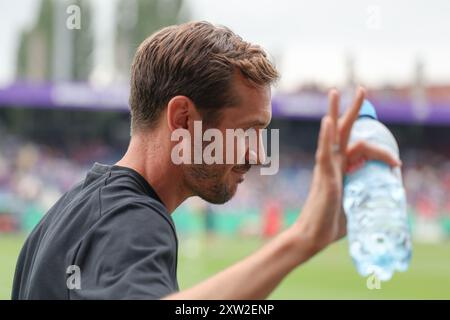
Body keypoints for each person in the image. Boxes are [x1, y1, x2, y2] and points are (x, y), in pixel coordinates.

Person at [12, 21, 400, 299]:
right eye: (249, 130)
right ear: (183, 120)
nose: (259, 154)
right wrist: (302, 239)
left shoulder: (69, 211)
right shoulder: (131, 220)